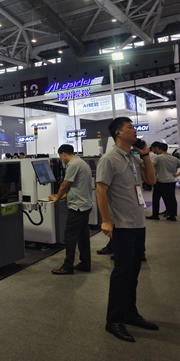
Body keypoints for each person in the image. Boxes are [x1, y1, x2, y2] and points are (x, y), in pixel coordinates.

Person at [96, 117, 158, 343]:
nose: (135, 130)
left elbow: (151, 180)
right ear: (118, 133)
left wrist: (145, 154)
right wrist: (106, 221)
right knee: (122, 273)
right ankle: (113, 320)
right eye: (130, 127)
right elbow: (101, 191)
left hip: (138, 223)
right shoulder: (108, 159)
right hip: (122, 225)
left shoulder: (132, 158)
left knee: (133, 273)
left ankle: (130, 313)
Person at [50, 145, 93, 275]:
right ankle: (85, 263)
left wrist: (57, 198)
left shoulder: (73, 165)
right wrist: (63, 196)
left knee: (70, 236)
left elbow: (65, 185)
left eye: (60, 157)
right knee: (83, 236)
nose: (61, 160)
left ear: (64, 154)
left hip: (77, 207)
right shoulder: (82, 162)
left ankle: (67, 266)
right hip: (85, 205)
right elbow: (77, 187)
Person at [147, 142, 180, 221]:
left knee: (156, 198)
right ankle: (172, 215)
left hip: (160, 181)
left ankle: (155, 215)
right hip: (171, 181)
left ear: (160, 149)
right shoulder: (174, 159)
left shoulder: (158, 158)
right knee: (172, 198)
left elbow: (151, 166)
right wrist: (177, 174)